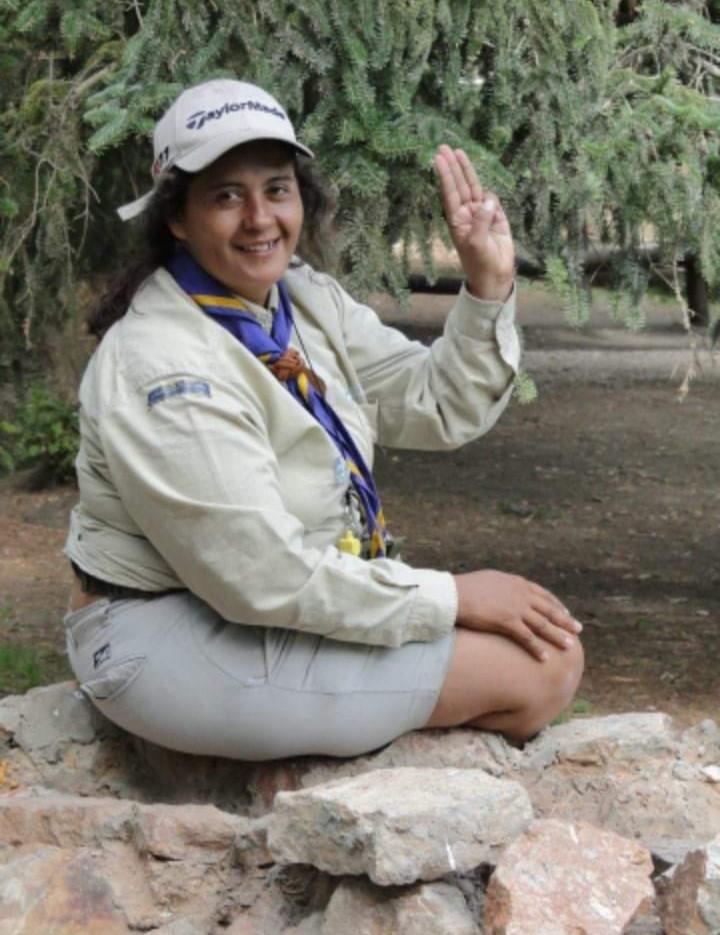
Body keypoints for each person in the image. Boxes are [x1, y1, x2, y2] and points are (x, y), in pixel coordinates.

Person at [64, 78, 583, 761]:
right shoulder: (163, 361)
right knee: (542, 670)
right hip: (164, 633)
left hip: (257, 603)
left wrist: (487, 284)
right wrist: (453, 597)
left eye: (276, 189)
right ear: (177, 218)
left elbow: (433, 401)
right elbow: (264, 574)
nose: (259, 218)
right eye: (225, 195)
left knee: (544, 647)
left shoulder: (299, 301)